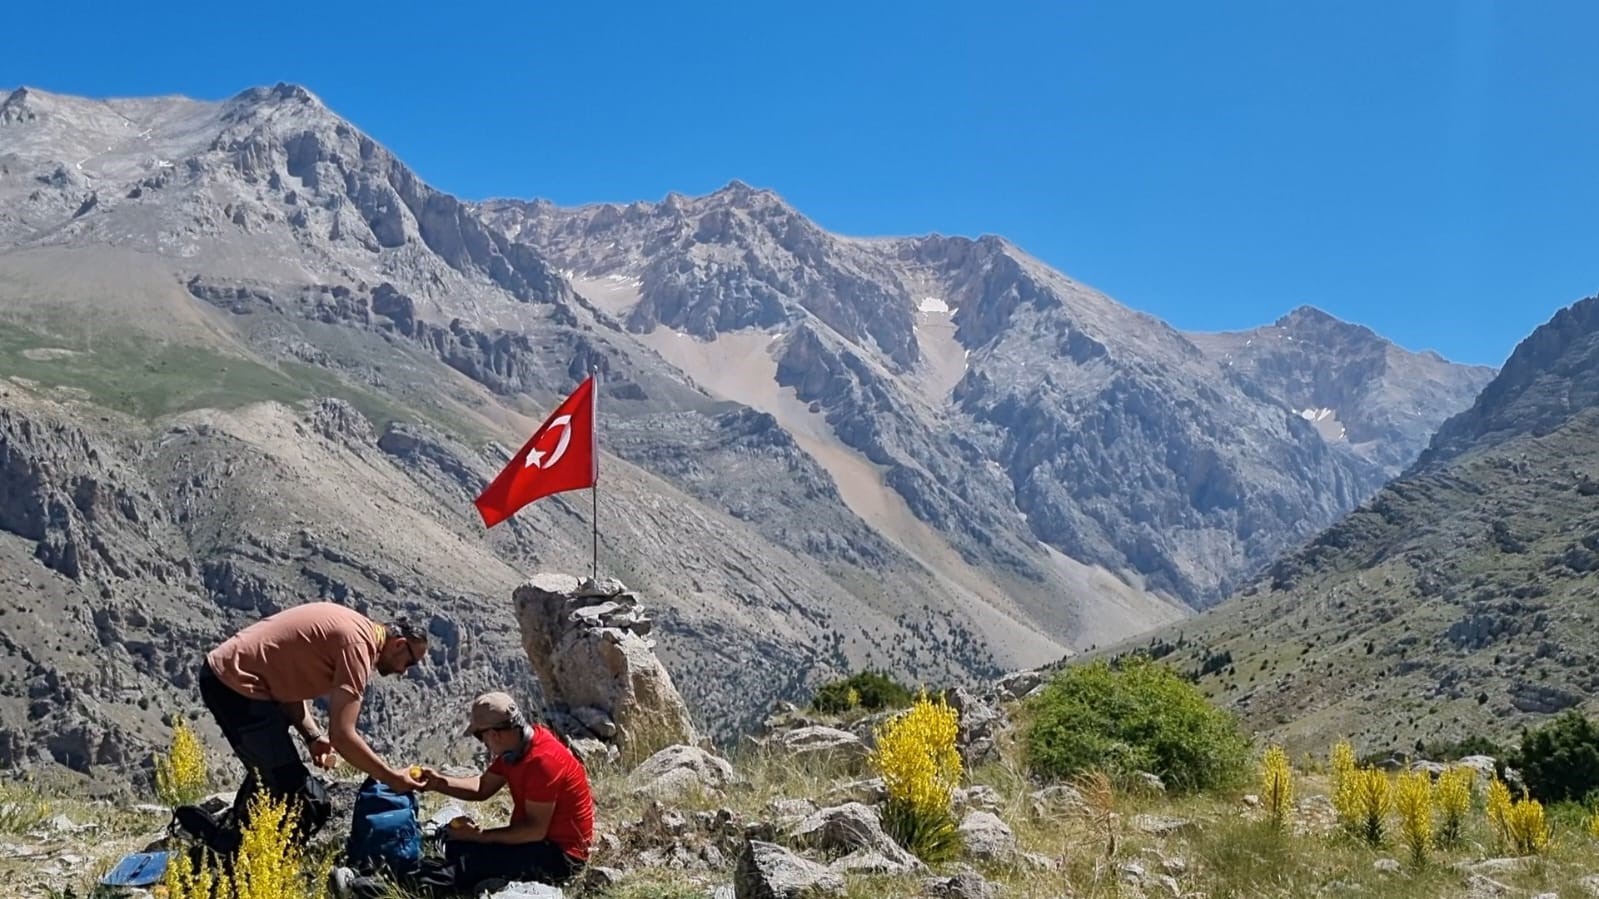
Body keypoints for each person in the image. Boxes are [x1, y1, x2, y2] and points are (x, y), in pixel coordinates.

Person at [181, 601, 429, 852]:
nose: (404, 672)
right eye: (409, 663)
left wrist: (312, 736)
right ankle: (240, 855)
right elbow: (343, 736)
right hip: (235, 687)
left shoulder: (355, 626)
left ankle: (234, 840)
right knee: (296, 796)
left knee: (275, 772)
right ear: (398, 644)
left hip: (235, 680)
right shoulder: (358, 646)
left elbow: (288, 679)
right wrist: (390, 777)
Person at [330, 691, 594, 897]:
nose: (484, 745)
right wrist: (438, 782)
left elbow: (534, 831)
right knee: (458, 846)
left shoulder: (542, 762)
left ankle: (365, 889)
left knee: (465, 866)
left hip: (560, 855)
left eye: (482, 738)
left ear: (494, 734)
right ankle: (412, 871)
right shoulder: (518, 747)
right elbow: (483, 787)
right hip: (539, 841)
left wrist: (481, 836)